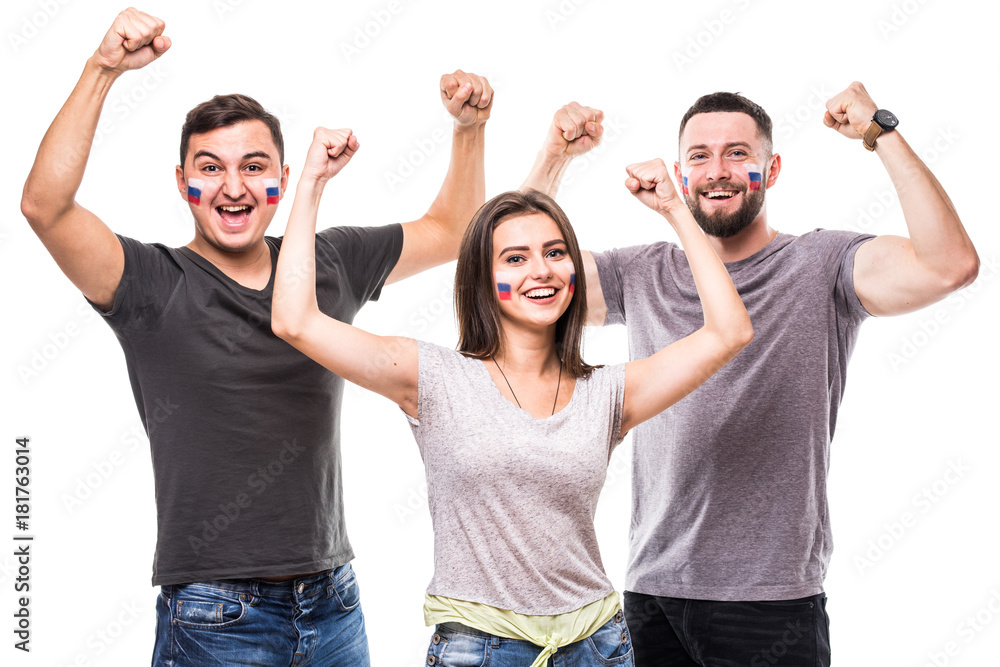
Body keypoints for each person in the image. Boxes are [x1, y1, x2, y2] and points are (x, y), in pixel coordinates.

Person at [19, 8, 492, 665]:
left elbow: (454, 226)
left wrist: (469, 130)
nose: (234, 187)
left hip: (335, 604)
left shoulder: (329, 263)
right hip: (215, 617)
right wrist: (102, 69)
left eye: (254, 166)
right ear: (183, 184)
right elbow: (45, 206)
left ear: (283, 181)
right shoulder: (152, 283)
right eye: (209, 168)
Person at [270, 108, 753, 664]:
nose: (541, 271)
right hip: (479, 648)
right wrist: (310, 181)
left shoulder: (608, 394)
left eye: (554, 253)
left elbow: (729, 330)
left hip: (597, 643)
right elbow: (295, 321)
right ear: (484, 279)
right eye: (515, 258)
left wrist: (674, 209)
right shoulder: (431, 377)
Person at [523, 86, 980, 665]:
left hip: (771, 604)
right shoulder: (641, 272)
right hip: (651, 593)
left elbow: (950, 265)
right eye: (698, 156)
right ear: (680, 172)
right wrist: (552, 159)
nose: (718, 171)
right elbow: (507, 280)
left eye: (738, 154)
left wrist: (880, 131)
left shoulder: (822, 264)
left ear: (773, 168)